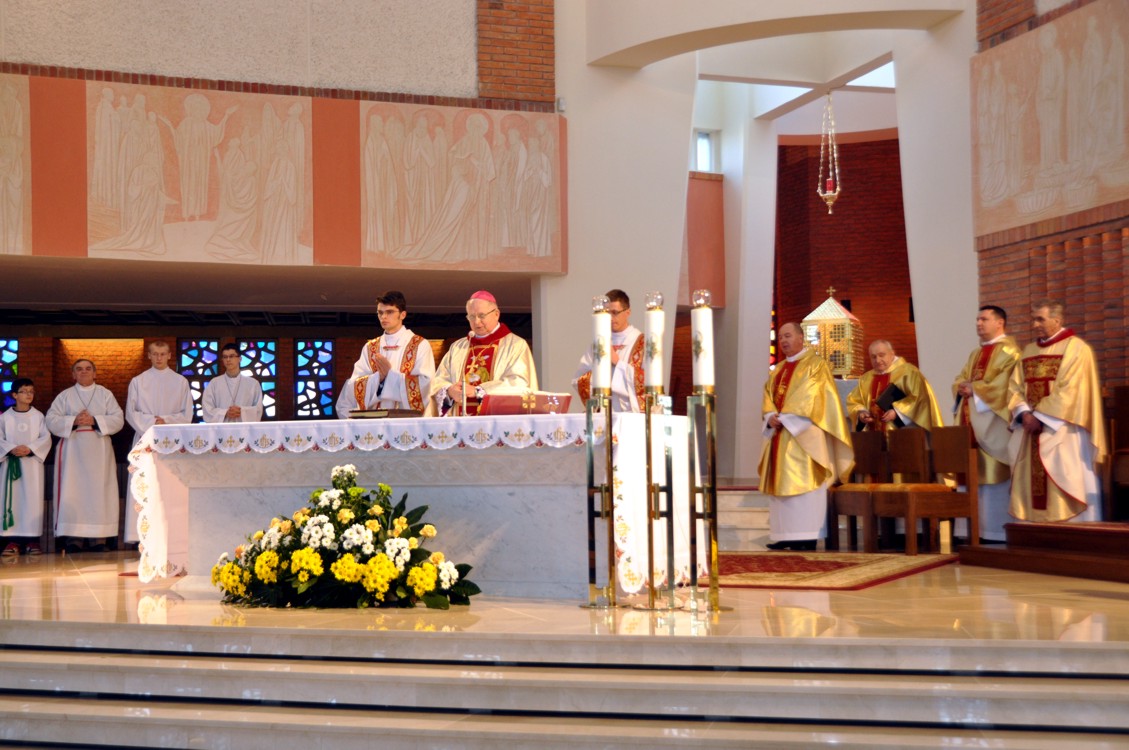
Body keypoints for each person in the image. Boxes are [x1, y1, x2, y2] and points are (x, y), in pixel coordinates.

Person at [1007, 299, 1106, 524]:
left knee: (1067, 474)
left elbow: (1071, 389)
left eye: (1040, 319)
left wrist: (1039, 417)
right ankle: (1033, 531)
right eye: (1033, 319)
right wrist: (1024, 414)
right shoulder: (1028, 351)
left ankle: (1075, 532)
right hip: (1030, 430)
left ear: (1057, 320)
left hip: (1063, 429)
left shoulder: (1076, 348)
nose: (1034, 324)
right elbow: (1015, 387)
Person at [757, 323, 854, 550]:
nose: (783, 341)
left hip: (805, 434)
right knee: (780, 485)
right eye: (781, 337)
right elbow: (768, 395)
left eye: (788, 336)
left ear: (801, 337)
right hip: (780, 434)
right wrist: (770, 416)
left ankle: (807, 536)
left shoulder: (816, 365)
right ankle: (785, 535)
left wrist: (787, 417)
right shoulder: (778, 369)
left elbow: (812, 396)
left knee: (806, 483)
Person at [952, 305, 1021, 542]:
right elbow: (961, 378)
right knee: (970, 473)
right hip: (971, 422)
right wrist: (961, 386)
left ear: (1000, 322)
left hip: (992, 424)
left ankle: (994, 531)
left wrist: (976, 389)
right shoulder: (976, 353)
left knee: (993, 475)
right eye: (977, 319)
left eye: (984, 319)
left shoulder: (1011, 352)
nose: (978, 323)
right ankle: (969, 531)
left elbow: (1006, 385)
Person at [45, 359, 124, 552]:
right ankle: (74, 538)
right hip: (73, 449)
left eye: (88, 369)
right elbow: (51, 419)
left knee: (99, 491)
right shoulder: (65, 396)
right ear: (73, 374)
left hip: (99, 449)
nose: (84, 372)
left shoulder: (105, 394)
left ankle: (99, 539)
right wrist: (74, 420)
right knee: (73, 490)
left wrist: (94, 420)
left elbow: (118, 419)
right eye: (79, 369)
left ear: (95, 373)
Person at [125, 341, 194, 544]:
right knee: (144, 485)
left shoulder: (180, 382)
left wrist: (166, 421)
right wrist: (153, 423)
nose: (159, 358)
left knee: (170, 486)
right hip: (145, 438)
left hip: (171, 441)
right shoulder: (138, 381)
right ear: (149, 355)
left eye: (163, 354)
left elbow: (187, 414)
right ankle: (140, 535)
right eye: (155, 354)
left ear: (170, 355)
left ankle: (171, 532)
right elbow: (131, 412)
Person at [431, 290, 538, 416]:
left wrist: (479, 391)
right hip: (460, 421)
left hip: (496, 421)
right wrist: (449, 390)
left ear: (496, 314)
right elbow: (439, 380)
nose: (476, 322)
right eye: (472, 317)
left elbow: (519, 383)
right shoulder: (458, 347)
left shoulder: (515, 345)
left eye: (481, 316)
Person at [337, 291, 435, 417]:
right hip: (375, 419)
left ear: (403, 315)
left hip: (406, 420)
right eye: (380, 312)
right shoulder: (370, 347)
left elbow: (427, 384)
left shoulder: (420, 345)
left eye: (389, 312)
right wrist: (379, 378)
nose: (383, 317)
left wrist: (390, 375)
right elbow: (355, 385)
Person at [0, 378, 52, 556]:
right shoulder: (5, 417)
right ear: (15, 395)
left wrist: (30, 449)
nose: (29, 395)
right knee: (12, 500)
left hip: (32, 466)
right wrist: (10, 449)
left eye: (31, 391)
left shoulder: (38, 416)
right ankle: (12, 541)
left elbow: (46, 438)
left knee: (32, 500)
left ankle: (32, 541)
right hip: (10, 464)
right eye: (24, 391)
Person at [846, 340, 943, 432]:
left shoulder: (909, 372)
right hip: (873, 436)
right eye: (873, 357)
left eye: (881, 355)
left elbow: (920, 398)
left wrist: (897, 412)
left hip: (904, 434)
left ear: (892, 354)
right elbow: (854, 401)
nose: (878, 360)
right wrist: (861, 413)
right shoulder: (866, 378)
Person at [572, 289, 644, 412]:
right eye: (607, 313)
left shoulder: (642, 343)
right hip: (602, 412)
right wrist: (599, 379)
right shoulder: (599, 343)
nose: (610, 318)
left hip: (630, 413)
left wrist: (617, 363)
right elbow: (579, 380)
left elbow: (645, 383)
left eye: (614, 313)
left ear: (628, 312)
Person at [202, 343, 264, 423]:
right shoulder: (214, 383)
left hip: (244, 429)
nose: (228, 360)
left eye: (231, 356)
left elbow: (258, 410)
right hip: (221, 429)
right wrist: (225, 413)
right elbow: (207, 410)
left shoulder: (253, 384)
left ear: (240, 359)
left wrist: (242, 411)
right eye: (225, 357)